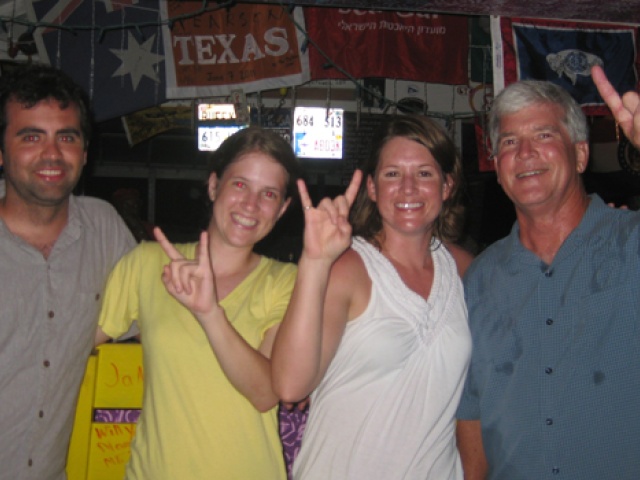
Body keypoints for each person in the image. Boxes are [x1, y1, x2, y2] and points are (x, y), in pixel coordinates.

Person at [456, 77, 640, 479]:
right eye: (508, 141)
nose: (524, 153)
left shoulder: (632, 243)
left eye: (544, 134)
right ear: (498, 168)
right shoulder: (480, 278)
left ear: (580, 154)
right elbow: (471, 409)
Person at [272, 114, 472, 479]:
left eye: (425, 173)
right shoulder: (348, 269)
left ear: (447, 186)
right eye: (392, 174)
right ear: (374, 189)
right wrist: (315, 261)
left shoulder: (467, 272)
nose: (408, 188)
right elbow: (290, 386)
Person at [95, 127, 301, 480]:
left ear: (282, 209)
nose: (251, 204)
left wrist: (209, 313)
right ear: (212, 185)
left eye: (268, 194)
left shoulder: (289, 282)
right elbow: (69, 347)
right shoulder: (146, 263)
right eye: (239, 184)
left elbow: (266, 393)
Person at [0, 64, 135, 479]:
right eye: (31, 136)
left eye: (67, 137)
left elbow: (158, 312)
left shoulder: (104, 228)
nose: (52, 154)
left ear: (85, 153)